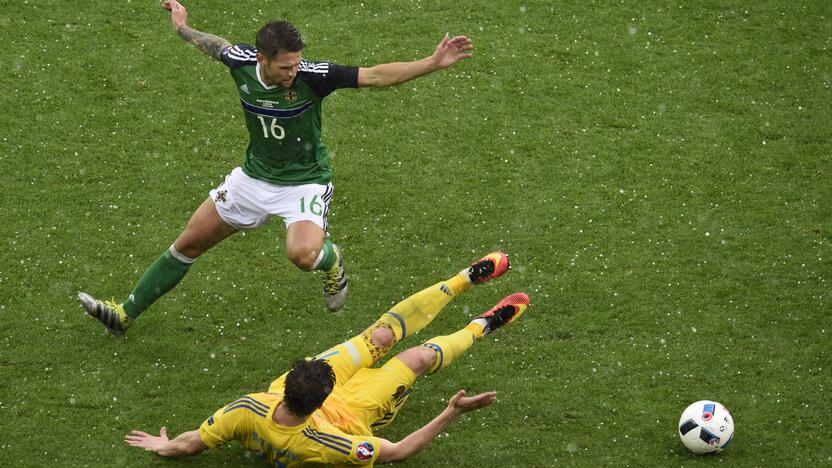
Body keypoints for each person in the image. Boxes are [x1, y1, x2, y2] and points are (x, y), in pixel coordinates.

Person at [78, 0, 475, 336]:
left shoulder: (314, 77)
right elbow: (212, 44)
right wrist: (182, 25)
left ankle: (330, 259)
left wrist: (432, 63)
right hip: (253, 178)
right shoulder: (240, 63)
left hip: (303, 183)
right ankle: (123, 314)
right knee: (188, 243)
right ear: (261, 59)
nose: (293, 73)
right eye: (285, 67)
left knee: (302, 255)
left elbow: (375, 76)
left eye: (297, 64)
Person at [124, 252, 530, 465]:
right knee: (419, 358)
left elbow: (193, 442)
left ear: (286, 386)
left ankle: (465, 278)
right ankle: (485, 324)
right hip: (356, 409)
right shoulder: (329, 445)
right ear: (320, 398)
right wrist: (451, 412)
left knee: (381, 335)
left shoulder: (249, 408)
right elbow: (399, 451)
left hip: (313, 393)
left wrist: (164, 445)